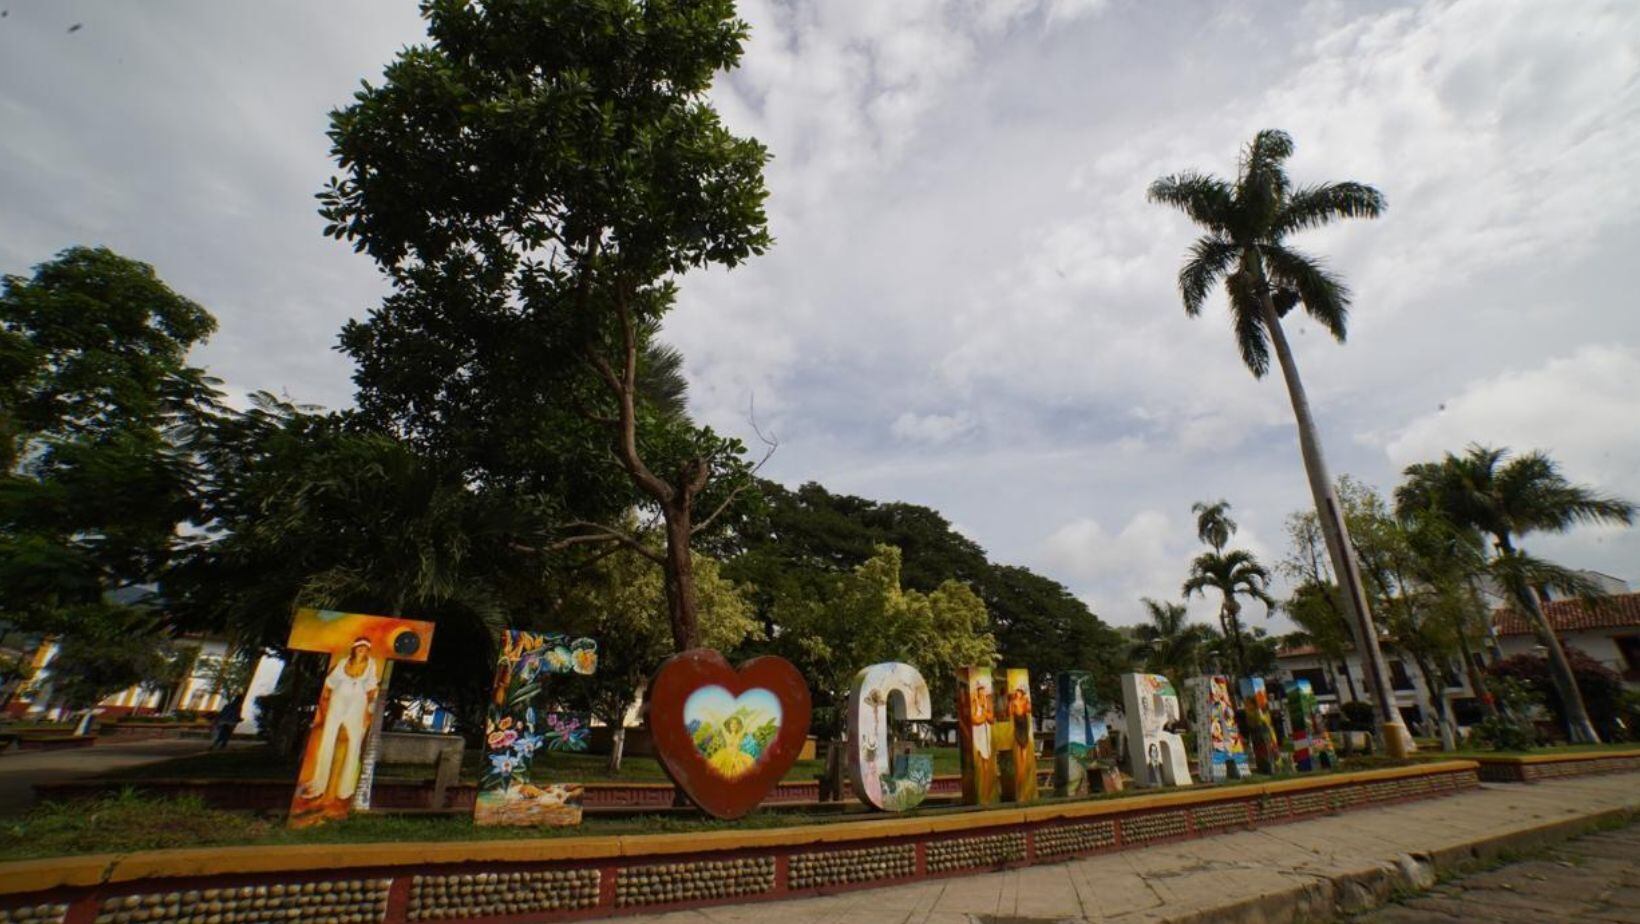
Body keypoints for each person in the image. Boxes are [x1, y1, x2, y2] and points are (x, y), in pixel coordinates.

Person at [300, 639, 379, 802]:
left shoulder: (371, 664)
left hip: (358, 701)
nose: (362, 650)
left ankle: (346, 788)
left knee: (354, 741)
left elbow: (372, 688)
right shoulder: (343, 662)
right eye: (359, 648)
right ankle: (318, 785)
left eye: (365, 648)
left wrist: (368, 710)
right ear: (354, 649)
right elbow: (330, 684)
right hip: (338, 699)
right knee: (328, 739)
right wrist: (325, 700)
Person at [708, 715, 756, 779]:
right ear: (729, 725)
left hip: (737, 758)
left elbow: (747, 724)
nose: (733, 725)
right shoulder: (726, 734)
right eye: (732, 723)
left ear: (738, 726)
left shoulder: (740, 735)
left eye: (735, 724)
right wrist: (709, 712)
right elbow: (719, 722)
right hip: (725, 757)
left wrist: (758, 714)